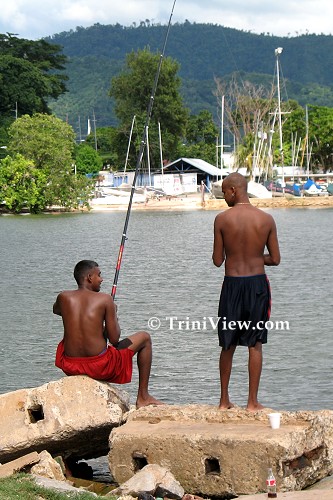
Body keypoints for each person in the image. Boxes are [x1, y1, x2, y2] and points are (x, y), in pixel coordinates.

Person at [53, 260, 163, 408]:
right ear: (89, 277)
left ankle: (143, 397)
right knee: (145, 338)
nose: (101, 279)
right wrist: (113, 313)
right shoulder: (105, 299)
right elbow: (114, 339)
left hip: (70, 365)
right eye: (99, 275)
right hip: (99, 367)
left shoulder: (63, 297)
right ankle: (143, 397)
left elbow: (57, 310)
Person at [212, 173, 280, 411]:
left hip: (232, 286)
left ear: (233, 190)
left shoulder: (221, 220)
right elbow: (275, 259)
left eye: (224, 191)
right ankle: (252, 402)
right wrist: (254, 257)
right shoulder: (266, 219)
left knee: (227, 344)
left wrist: (236, 255)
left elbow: (217, 261)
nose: (223, 197)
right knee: (255, 344)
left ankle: (223, 401)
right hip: (257, 286)